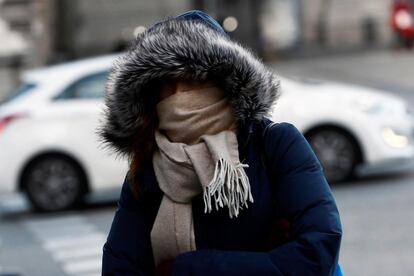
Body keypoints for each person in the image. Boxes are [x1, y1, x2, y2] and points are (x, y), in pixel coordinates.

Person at [99, 10, 343, 276]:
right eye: (167, 82)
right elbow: (119, 268)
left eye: (192, 78)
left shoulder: (274, 144)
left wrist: (189, 269)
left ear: (223, 80)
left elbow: (317, 254)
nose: (179, 94)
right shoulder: (147, 168)